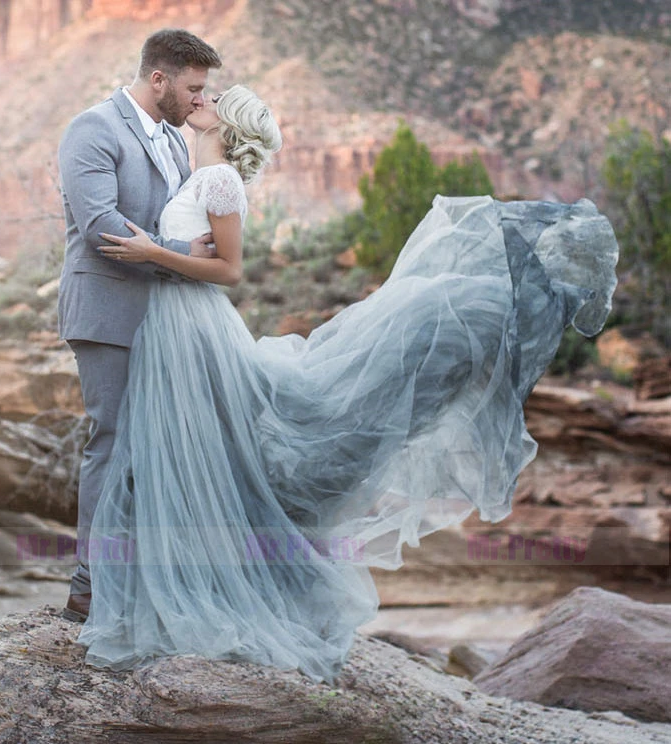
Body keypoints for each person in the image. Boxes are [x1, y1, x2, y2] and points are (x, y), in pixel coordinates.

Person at [75, 85, 620, 683]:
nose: (203, 98)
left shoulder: (220, 180)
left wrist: (158, 250)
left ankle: (184, 587)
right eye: (202, 91)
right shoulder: (194, 167)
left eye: (215, 96)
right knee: (187, 454)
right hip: (174, 325)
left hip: (191, 321)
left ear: (227, 126)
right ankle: (149, 580)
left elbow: (228, 269)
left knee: (208, 453)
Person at [56, 29, 222, 623]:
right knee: (114, 441)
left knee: (156, 445)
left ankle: (144, 579)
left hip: (163, 315)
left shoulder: (176, 143)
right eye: (194, 88)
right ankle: (88, 588)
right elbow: (101, 222)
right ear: (159, 79)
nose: (200, 101)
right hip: (107, 312)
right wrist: (182, 251)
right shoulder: (92, 129)